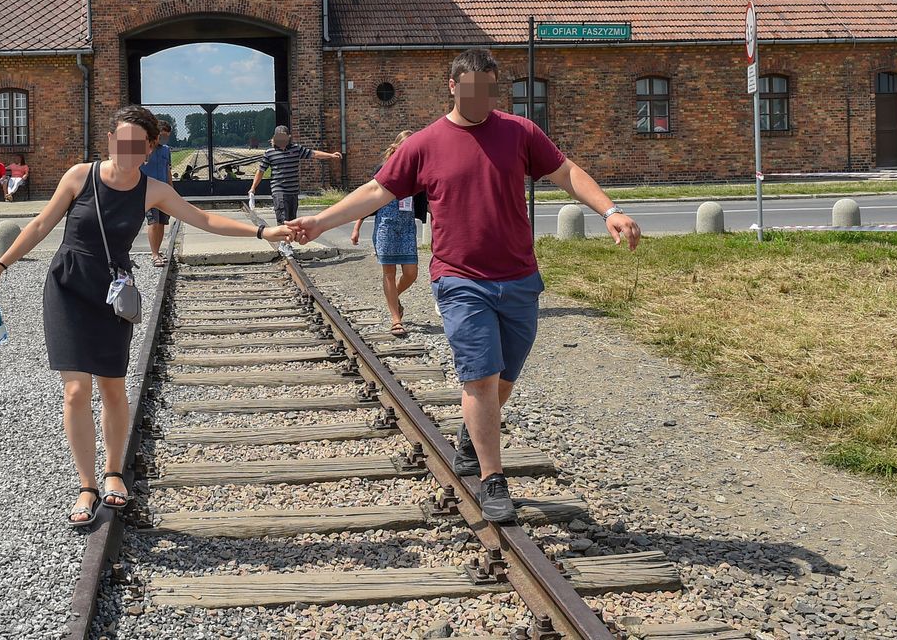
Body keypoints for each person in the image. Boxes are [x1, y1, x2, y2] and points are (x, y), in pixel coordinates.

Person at [288, 48, 641, 523]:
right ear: (453, 86)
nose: (481, 98)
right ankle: (493, 479)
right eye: (471, 88)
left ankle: (471, 437)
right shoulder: (425, 144)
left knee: (503, 381)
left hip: (518, 278)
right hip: (459, 279)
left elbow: (566, 172)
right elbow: (376, 191)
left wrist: (610, 209)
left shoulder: (520, 133)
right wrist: (319, 221)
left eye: (489, 89)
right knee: (479, 377)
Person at [0, 105, 293, 529]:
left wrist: (261, 231)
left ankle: (113, 472)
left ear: (149, 149)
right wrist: (1, 265)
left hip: (113, 294)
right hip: (69, 285)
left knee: (112, 387)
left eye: (136, 145)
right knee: (74, 391)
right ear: (110, 140)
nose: (126, 151)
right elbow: (39, 225)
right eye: (120, 141)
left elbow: (204, 218)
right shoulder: (79, 176)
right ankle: (86, 485)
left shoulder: (153, 190)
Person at [350, 130, 425, 338]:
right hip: (386, 227)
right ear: (398, 148)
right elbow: (369, 199)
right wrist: (357, 226)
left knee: (411, 273)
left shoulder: (418, 173)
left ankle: (393, 297)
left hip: (407, 228)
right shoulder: (384, 170)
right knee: (389, 274)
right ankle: (396, 319)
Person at [248, 126, 341, 255]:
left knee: (292, 219)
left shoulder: (296, 149)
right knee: (282, 216)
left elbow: (313, 154)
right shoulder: (269, 153)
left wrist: (331, 155)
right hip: (278, 188)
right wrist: (253, 188)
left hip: (292, 190)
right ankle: (284, 243)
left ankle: (286, 242)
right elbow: (261, 171)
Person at [141, 122, 172, 266]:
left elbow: (168, 170)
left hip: (164, 191)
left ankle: (158, 251)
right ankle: (154, 254)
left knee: (162, 223)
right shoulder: (145, 148)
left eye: (167, 136)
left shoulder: (166, 150)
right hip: (149, 191)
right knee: (153, 222)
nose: (164, 139)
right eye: (163, 136)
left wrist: (171, 189)